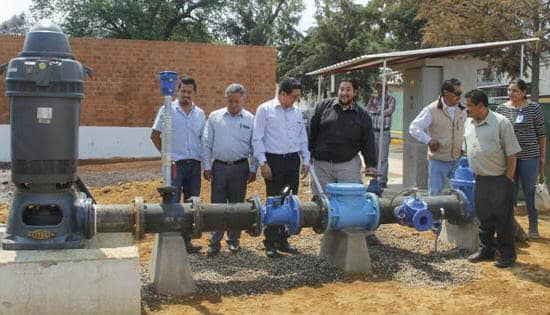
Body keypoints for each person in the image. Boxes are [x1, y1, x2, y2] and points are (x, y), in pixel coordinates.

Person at [252, 77, 310, 258]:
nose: (296, 100)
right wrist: (263, 162)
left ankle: (283, 240)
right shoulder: (265, 110)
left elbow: (303, 138)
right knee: (274, 201)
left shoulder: (297, 112)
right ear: (282, 94)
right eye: (293, 96)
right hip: (273, 161)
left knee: (290, 201)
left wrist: (306, 160)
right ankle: (269, 241)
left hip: (292, 161)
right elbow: (257, 138)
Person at [464, 89, 521, 268]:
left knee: (503, 220)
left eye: (470, 106)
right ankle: (486, 250)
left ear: (481, 106)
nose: (467, 109)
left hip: (499, 180)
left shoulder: (501, 123)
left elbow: (512, 154)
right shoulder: (469, 123)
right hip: (480, 179)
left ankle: (507, 255)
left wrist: (508, 179)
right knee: (484, 217)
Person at [151, 76, 205, 253]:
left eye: (189, 92)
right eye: (183, 91)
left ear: (194, 93)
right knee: (172, 202)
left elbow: (203, 140)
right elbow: (155, 135)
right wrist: (166, 157)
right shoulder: (167, 110)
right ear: (177, 91)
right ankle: (171, 243)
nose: (186, 95)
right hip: (175, 165)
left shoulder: (200, 114)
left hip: (194, 165)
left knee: (192, 204)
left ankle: (186, 242)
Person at [202, 83, 257, 256]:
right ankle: (214, 242)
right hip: (218, 168)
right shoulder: (214, 117)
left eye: (237, 102)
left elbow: (255, 146)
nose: (234, 105)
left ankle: (233, 241)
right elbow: (206, 143)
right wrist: (206, 166)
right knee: (217, 205)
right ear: (226, 99)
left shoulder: (250, 119)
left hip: (240, 168)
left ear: (243, 100)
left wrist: (253, 168)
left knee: (237, 205)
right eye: (231, 101)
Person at [496, 80, 546, 238]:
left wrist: (542, 156)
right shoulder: (501, 109)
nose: (511, 93)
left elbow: (541, 134)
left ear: (524, 92)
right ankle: (510, 227)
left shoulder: (534, 108)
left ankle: (533, 227)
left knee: (529, 192)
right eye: (509, 90)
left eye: (515, 90)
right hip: (510, 157)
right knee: (509, 191)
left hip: (530, 156)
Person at [309, 78, 377, 192]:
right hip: (322, 166)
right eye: (342, 89)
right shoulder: (322, 107)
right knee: (322, 202)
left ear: (355, 93)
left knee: (349, 201)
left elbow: (368, 142)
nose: (344, 93)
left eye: (348, 90)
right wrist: (308, 154)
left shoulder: (363, 115)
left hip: (348, 166)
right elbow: (311, 132)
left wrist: (370, 164)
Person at [409, 78, 466, 196]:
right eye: (457, 93)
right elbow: (414, 128)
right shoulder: (431, 110)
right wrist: (429, 140)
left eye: (460, 93)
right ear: (446, 92)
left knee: (458, 195)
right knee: (435, 195)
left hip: (457, 160)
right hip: (438, 161)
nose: (459, 97)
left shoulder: (461, 110)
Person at [366, 81, 396, 188]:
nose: (379, 90)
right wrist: (379, 111)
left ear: (385, 88)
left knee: (383, 157)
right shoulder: (373, 98)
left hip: (384, 131)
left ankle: (382, 181)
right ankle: (374, 180)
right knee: (374, 156)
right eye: (377, 88)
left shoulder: (390, 99)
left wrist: (376, 111)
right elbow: (368, 110)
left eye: (381, 88)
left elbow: (388, 111)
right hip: (374, 131)